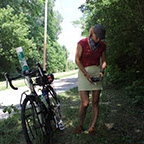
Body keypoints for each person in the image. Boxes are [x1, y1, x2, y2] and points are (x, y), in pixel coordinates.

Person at [73, 24, 107, 136]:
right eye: (97, 36)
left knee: (95, 102)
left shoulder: (102, 45)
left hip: (97, 72)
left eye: (101, 37)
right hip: (84, 73)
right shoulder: (82, 43)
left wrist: (102, 71)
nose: (99, 39)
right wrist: (86, 73)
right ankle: (80, 125)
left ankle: (92, 127)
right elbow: (77, 60)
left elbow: (104, 61)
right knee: (85, 103)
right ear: (92, 33)